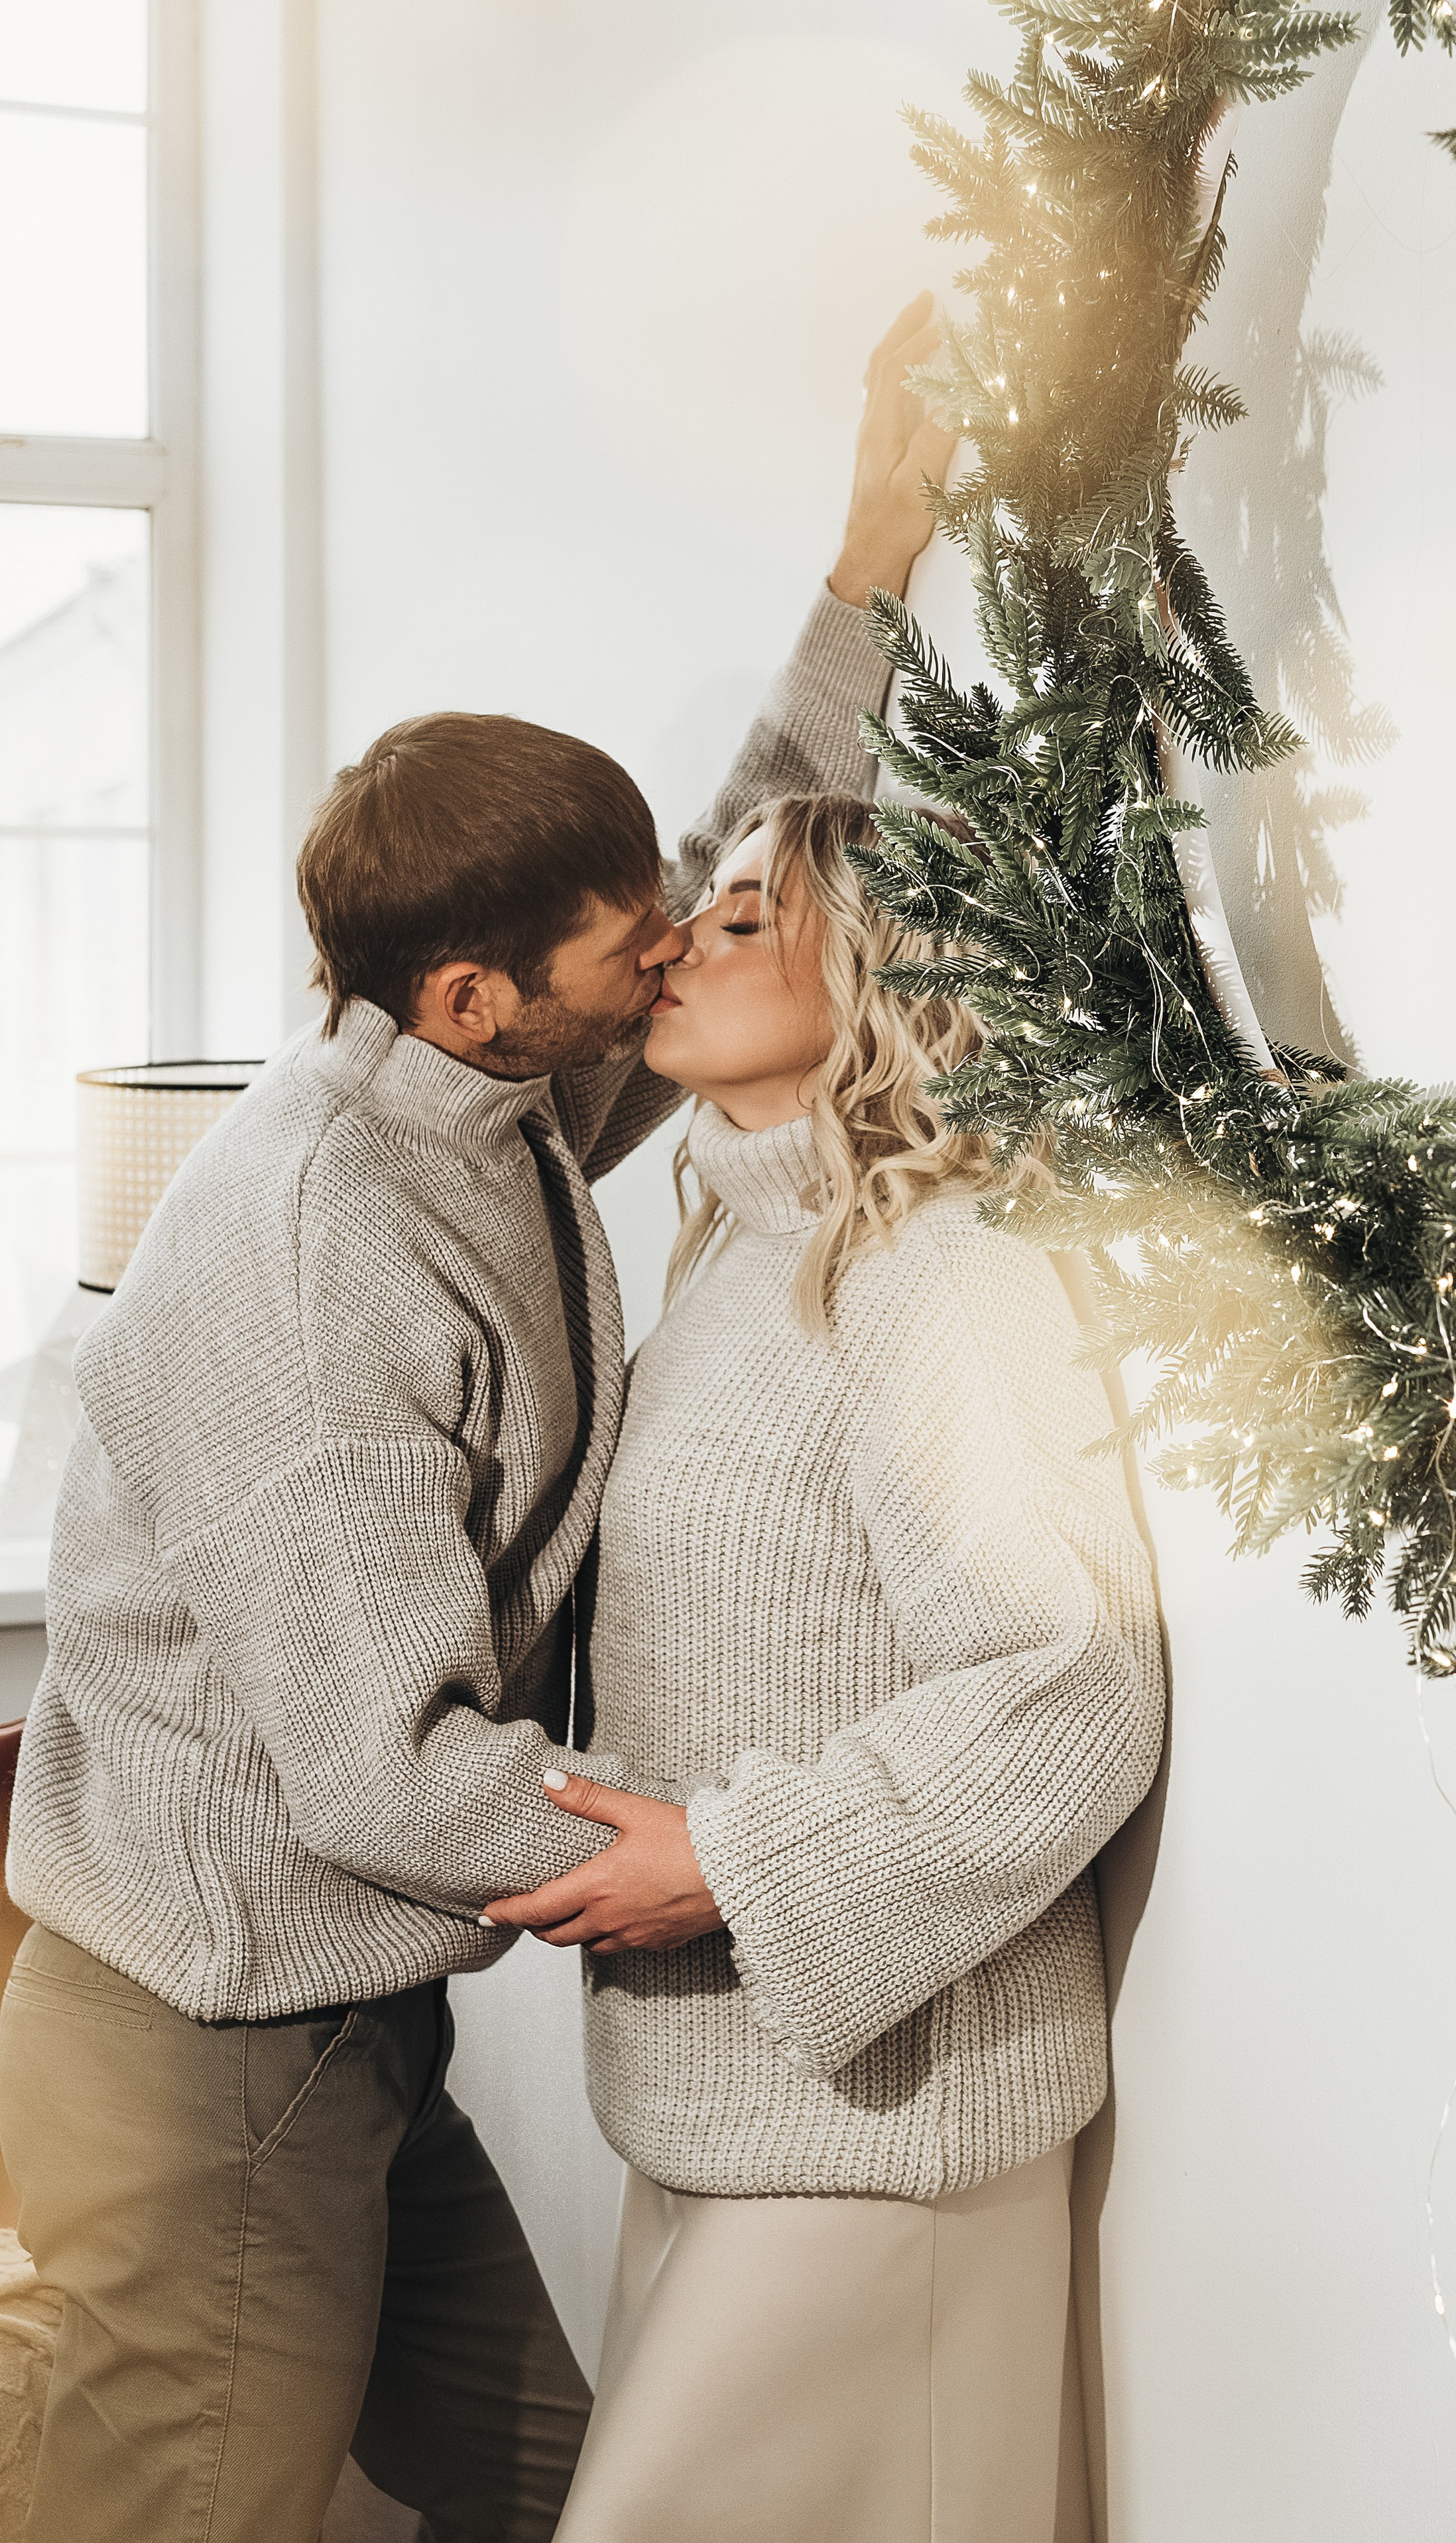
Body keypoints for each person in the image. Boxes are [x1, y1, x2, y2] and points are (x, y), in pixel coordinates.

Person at [0, 299, 953, 2543]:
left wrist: (877, 559)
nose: (688, 948)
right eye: (641, 944)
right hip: (209, 2053)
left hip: (344, 2036)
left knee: (562, 2490)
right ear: (476, 993)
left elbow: (724, 843)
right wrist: (749, 1847)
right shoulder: (329, 1263)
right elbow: (378, 1768)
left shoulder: (486, 1072)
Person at [481, 791, 1168, 2543]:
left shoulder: (942, 1275)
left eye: (736, 915)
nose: (676, 943)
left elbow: (1071, 1670)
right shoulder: (726, 1257)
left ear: (877, 959)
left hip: (890, 2134)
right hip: (718, 2097)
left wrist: (724, 1859)